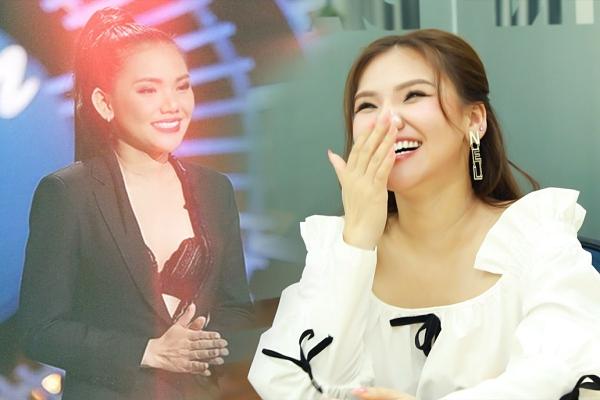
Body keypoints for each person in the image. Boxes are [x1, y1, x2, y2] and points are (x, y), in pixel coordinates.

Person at [248, 30, 600, 400]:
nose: (386, 121)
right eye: (367, 106)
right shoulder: (339, 250)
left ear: (474, 119)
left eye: (413, 95)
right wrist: (358, 240)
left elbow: (561, 368)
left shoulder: (535, 234)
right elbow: (289, 382)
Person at [18, 7, 253, 400]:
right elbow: (41, 330)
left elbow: (237, 308)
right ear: (104, 103)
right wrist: (148, 352)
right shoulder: (68, 193)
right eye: (148, 90)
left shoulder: (215, 189)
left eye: (182, 86)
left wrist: (206, 343)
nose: (172, 105)